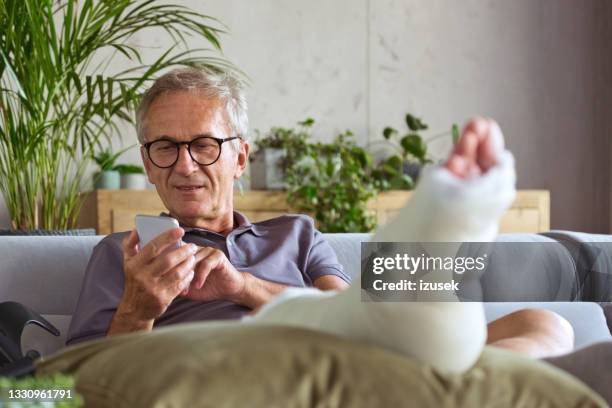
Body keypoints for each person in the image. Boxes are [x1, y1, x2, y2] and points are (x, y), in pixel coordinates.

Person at [67, 67, 577, 374]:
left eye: (203, 145)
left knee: (546, 324)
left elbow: (356, 317)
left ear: (240, 158)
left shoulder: (296, 232)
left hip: (347, 361)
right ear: (148, 163)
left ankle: (445, 380)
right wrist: (137, 312)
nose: (183, 165)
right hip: (225, 378)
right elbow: (58, 390)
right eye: (164, 148)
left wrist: (241, 285)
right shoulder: (122, 253)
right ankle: (449, 380)